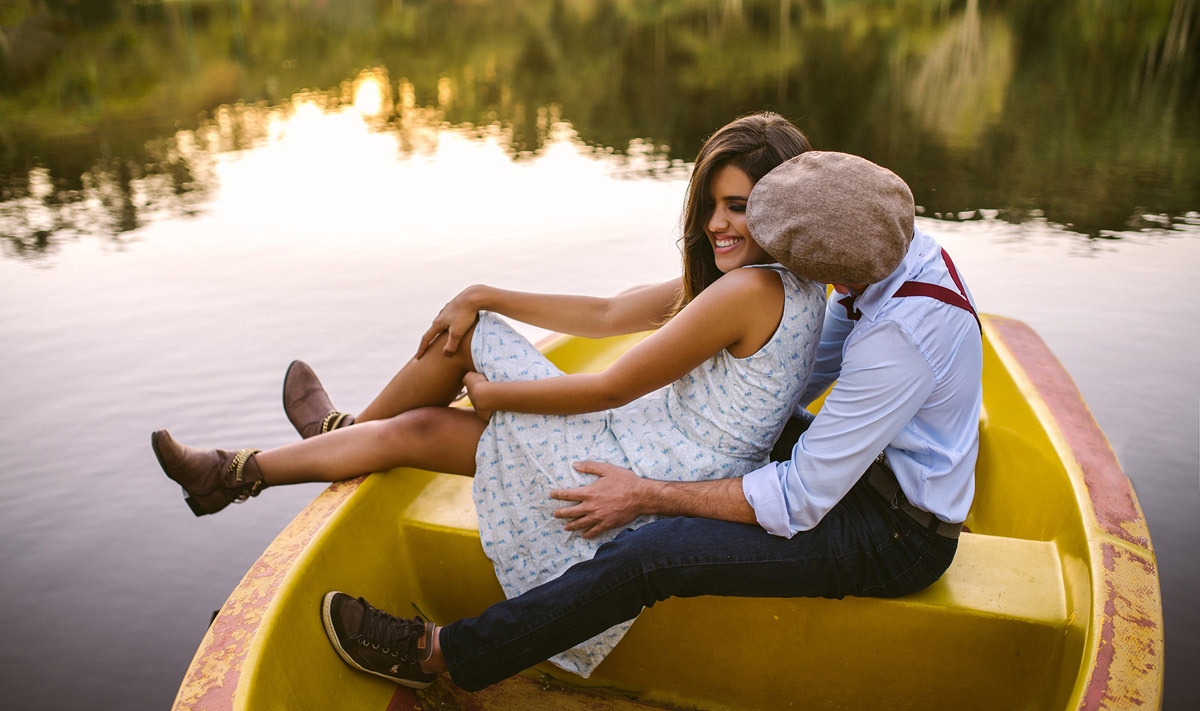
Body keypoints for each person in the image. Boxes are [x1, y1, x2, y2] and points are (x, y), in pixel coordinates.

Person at [152, 112, 827, 676]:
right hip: (653, 449)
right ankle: (232, 473)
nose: (716, 223)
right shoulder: (796, 282)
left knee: (469, 338)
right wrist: (483, 289)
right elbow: (610, 311)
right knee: (416, 433)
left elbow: (612, 381)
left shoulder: (747, 290)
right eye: (711, 204)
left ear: (780, 206)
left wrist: (495, 390)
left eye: (736, 207)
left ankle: (321, 434)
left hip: (635, 470)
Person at [318, 149, 984, 694]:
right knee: (725, 424)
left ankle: (441, 654)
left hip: (894, 529)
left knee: (653, 552)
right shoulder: (891, 248)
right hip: (861, 464)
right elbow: (794, 378)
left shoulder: (900, 335)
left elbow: (802, 497)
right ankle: (346, 435)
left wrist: (646, 490)